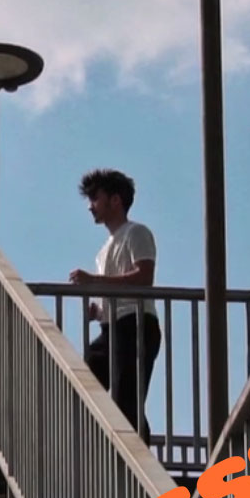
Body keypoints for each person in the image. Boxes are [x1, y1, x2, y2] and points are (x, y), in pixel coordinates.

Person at [69, 168, 162, 442]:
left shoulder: (136, 233)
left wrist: (95, 280)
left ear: (115, 200)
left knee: (127, 401)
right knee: (82, 382)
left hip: (136, 325)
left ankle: (141, 469)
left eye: (95, 198)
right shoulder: (104, 249)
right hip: (113, 328)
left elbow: (144, 276)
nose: (90, 207)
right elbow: (117, 288)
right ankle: (104, 449)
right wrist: (98, 311)